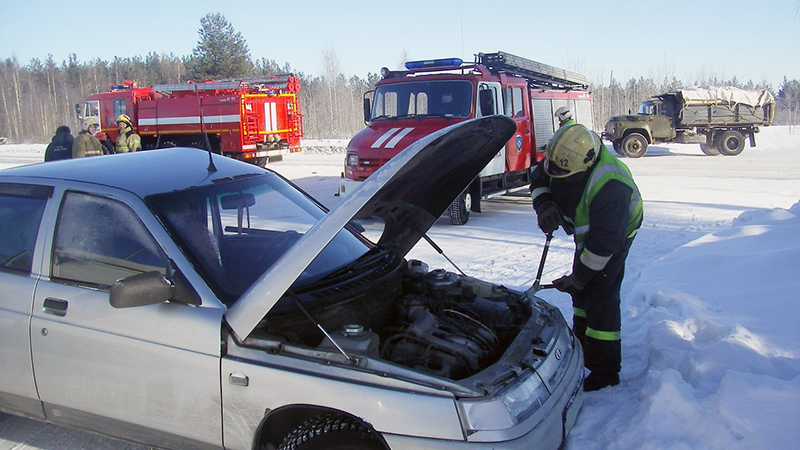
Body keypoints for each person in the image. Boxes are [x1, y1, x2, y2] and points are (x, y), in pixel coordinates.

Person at [530, 123, 643, 391]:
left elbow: (604, 245)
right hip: (593, 233)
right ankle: (581, 342)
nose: (556, 177)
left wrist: (579, 279)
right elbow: (538, 178)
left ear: (587, 165)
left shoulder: (611, 186)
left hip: (615, 235)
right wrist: (544, 204)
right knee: (581, 291)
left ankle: (605, 371)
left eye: (564, 176)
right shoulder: (564, 156)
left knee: (600, 293)